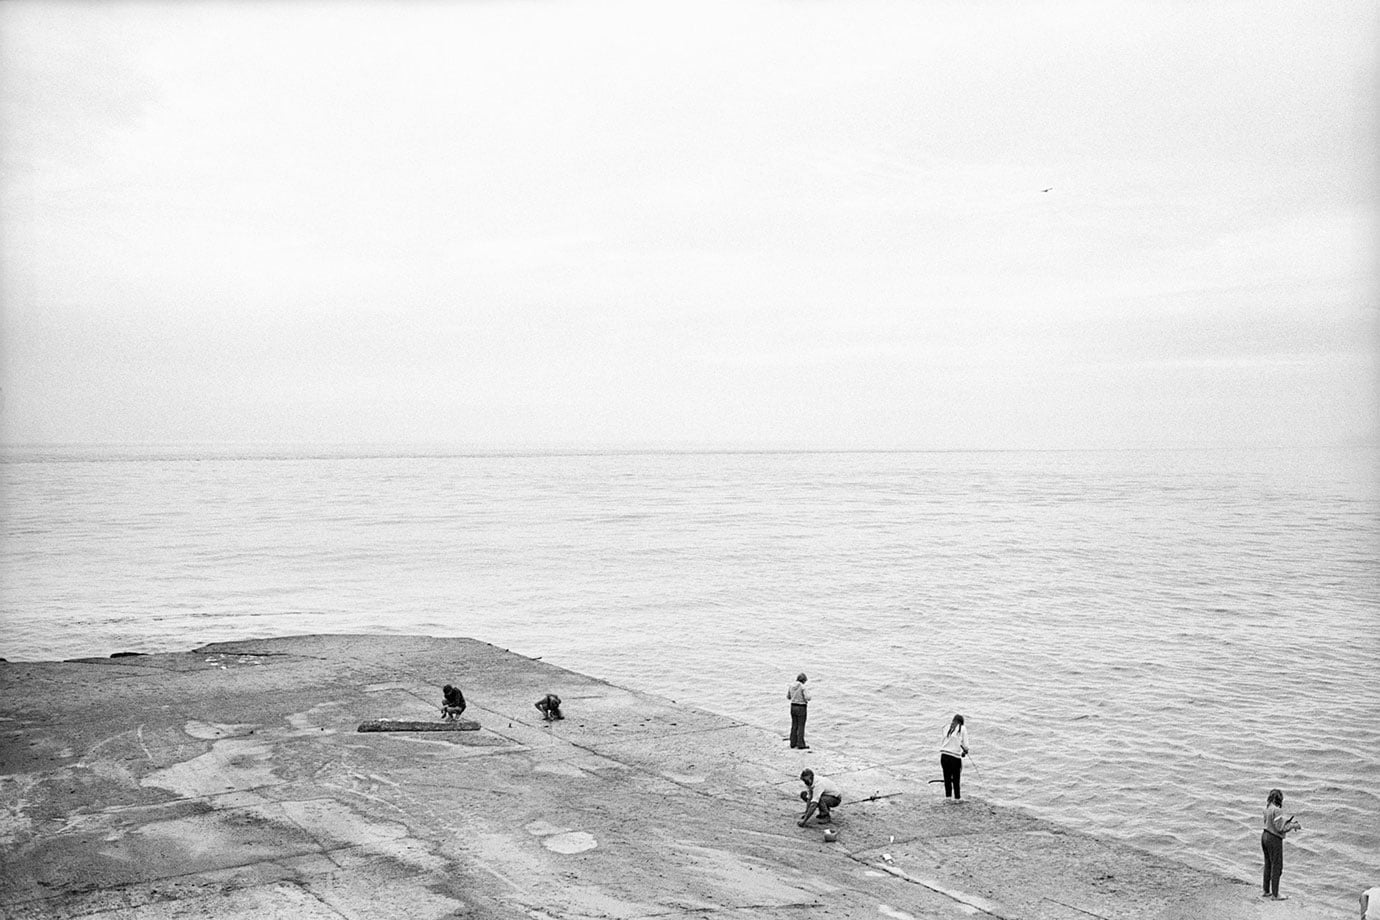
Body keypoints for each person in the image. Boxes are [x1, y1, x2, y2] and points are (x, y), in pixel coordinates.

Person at [1261, 788, 1301, 900]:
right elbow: (1280, 828)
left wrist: (1287, 823)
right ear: (1278, 799)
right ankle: (1275, 894)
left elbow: (1270, 824)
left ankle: (1266, 891)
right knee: (1277, 866)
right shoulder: (1277, 810)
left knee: (1268, 864)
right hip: (1274, 839)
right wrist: (1293, 826)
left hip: (1264, 836)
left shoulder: (1267, 808)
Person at [939, 714, 969, 802]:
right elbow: (965, 745)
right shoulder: (962, 728)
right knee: (956, 778)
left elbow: (949, 739)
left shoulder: (946, 727)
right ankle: (957, 799)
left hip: (944, 756)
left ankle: (948, 797)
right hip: (954, 757)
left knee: (947, 777)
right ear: (961, 722)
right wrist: (965, 751)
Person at [787, 673, 811, 749]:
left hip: (793, 706)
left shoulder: (791, 686)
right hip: (801, 707)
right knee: (801, 725)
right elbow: (808, 697)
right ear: (804, 680)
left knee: (794, 725)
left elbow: (788, 697)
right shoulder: (803, 687)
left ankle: (793, 743)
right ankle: (800, 744)